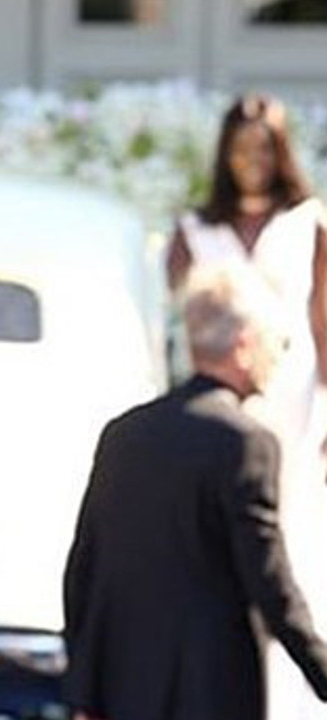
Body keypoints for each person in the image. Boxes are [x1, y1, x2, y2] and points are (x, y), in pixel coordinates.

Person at [62, 262, 327, 720]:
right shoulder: (245, 442)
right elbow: (270, 584)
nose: (278, 357)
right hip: (211, 692)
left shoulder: (123, 434)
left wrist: (85, 690)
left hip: (123, 693)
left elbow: (82, 572)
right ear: (244, 345)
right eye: (276, 342)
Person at [166, 93, 327, 719]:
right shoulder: (195, 230)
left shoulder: (306, 223)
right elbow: (176, 331)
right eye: (241, 150)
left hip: (291, 411)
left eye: (263, 149)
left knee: (291, 545)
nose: (252, 162)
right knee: (217, 548)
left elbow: (324, 326)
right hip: (217, 413)